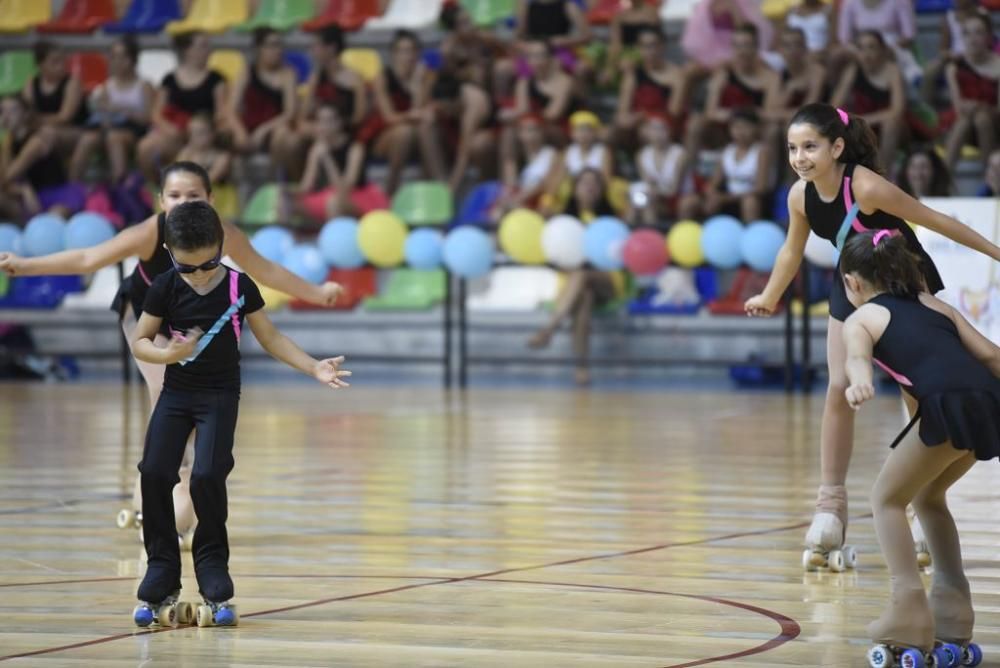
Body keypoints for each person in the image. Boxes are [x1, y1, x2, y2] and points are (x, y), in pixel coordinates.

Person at [0, 162, 343, 540]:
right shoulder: (151, 231)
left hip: (188, 320)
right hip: (146, 318)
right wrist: (24, 265)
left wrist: (316, 293)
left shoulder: (223, 234)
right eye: (175, 196)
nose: (183, 203)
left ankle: (159, 485)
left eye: (193, 195)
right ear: (161, 200)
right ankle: (164, 491)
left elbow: (267, 271)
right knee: (165, 392)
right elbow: (88, 259)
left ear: (211, 199)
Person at [743, 103, 1000, 570]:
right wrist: (769, 294)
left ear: (837, 147)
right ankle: (830, 506)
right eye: (792, 148)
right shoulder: (800, 197)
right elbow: (790, 250)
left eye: (810, 147)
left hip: (906, 281)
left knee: (915, 387)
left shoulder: (864, 185)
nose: (799, 157)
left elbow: (937, 221)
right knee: (838, 386)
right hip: (854, 283)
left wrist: (997, 254)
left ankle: (923, 500)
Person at [129, 200, 351, 627]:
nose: (200, 273)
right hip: (176, 394)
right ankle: (161, 570)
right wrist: (165, 352)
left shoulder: (238, 287)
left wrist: (313, 366)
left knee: (209, 475)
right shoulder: (164, 286)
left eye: (209, 263)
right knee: (155, 471)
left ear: (221, 247)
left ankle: (212, 569)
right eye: (188, 267)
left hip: (218, 395)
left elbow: (271, 337)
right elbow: (140, 339)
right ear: (172, 255)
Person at [840, 230, 997, 665]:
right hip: (986, 403)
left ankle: (908, 611)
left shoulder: (862, 318)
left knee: (886, 499)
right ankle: (953, 608)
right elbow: (990, 356)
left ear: (853, 283)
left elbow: (856, 357)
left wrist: (860, 382)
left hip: (945, 407)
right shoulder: (935, 305)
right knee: (929, 497)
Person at [527, 168, 626, 386]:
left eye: (594, 184)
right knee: (585, 297)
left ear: (601, 190)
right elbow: (555, 256)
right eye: (584, 183)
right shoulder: (563, 221)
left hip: (608, 281)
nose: (589, 188)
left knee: (583, 276)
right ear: (574, 189)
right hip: (575, 284)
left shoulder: (611, 219)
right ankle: (581, 367)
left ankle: (549, 329)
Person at [942, 13, 1000, 171]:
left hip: (994, 126)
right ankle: (943, 180)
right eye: (967, 33)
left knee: (982, 119)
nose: (972, 39)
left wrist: (981, 107)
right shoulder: (953, 67)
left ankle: (992, 180)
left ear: (989, 37)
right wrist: (973, 108)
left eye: (978, 32)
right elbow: (958, 109)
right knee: (965, 121)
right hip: (964, 125)